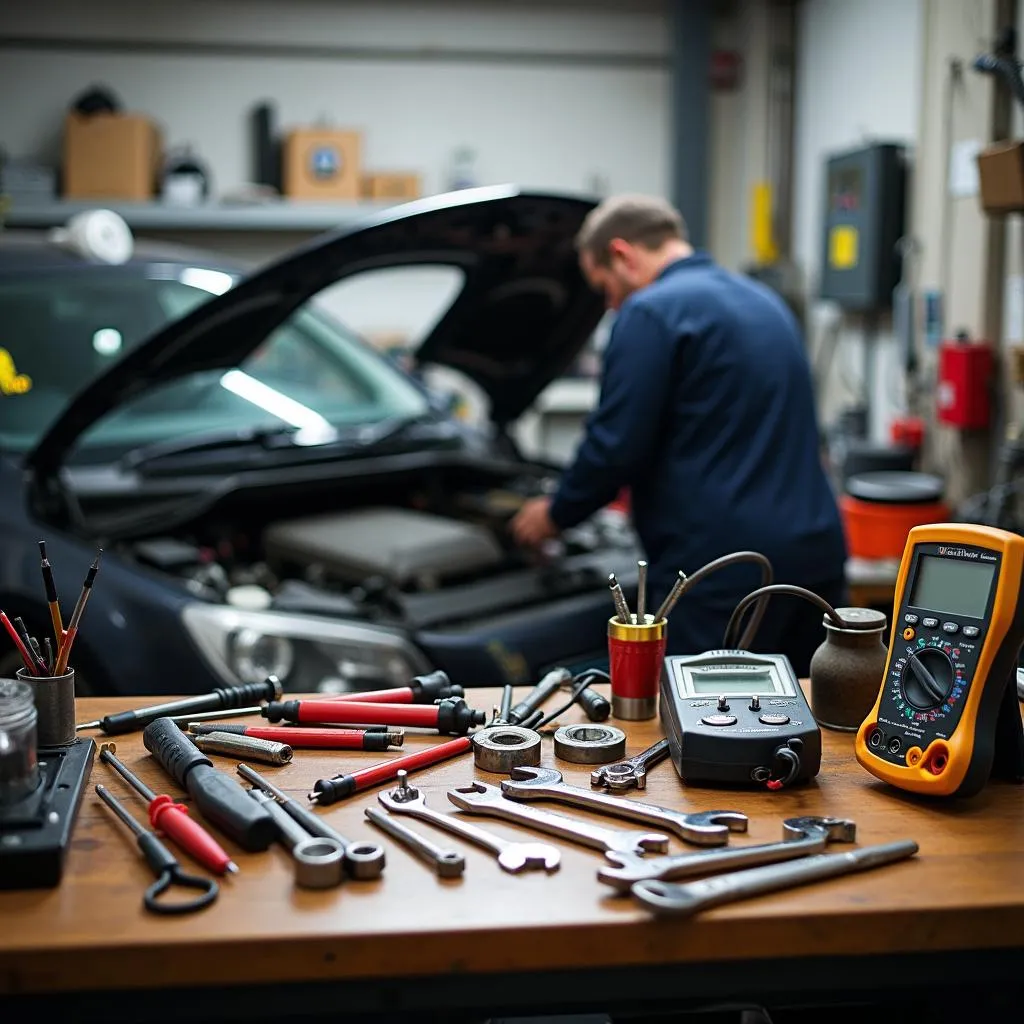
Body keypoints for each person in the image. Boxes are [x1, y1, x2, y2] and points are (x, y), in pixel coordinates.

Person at [510, 194, 847, 675]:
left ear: (623, 255)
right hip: (815, 553)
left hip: (722, 570)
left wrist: (556, 512)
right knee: (803, 718)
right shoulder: (763, 301)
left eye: (604, 289)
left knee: (706, 727)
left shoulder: (650, 312)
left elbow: (615, 445)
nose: (610, 306)